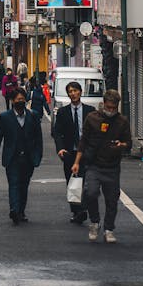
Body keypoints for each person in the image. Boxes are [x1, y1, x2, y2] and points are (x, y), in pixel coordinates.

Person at [71, 89, 131, 243]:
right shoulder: (92, 118)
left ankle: (109, 229)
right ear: (103, 104)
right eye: (108, 107)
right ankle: (95, 221)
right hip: (93, 165)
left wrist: (121, 145)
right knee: (90, 193)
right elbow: (83, 141)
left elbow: (128, 143)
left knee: (112, 199)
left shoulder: (122, 122)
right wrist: (77, 162)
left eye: (114, 108)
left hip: (112, 166)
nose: (111, 111)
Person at [0, 87, 43, 224]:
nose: (21, 101)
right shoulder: (5, 117)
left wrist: (38, 155)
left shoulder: (33, 115)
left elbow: (38, 138)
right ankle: (14, 209)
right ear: (12, 101)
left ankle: (21, 211)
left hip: (28, 157)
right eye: (18, 99)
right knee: (13, 183)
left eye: (22, 99)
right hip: (12, 157)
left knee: (24, 185)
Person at [53, 80, 96, 225]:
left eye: (75, 91)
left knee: (85, 182)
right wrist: (60, 148)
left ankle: (82, 210)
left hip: (86, 152)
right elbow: (57, 132)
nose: (73, 94)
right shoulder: (63, 112)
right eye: (70, 91)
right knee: (71, 182)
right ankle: (76, 211)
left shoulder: (90, 111)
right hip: (69, 152)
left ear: (80, 92)